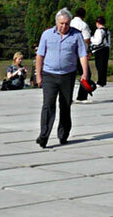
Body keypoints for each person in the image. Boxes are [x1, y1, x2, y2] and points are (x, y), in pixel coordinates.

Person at [34, 8, 89, 148]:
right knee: (48, 105)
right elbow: (40, 55)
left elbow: (82, 54)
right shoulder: (47, 35)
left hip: (67, 75)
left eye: (66, 23)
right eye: (61, 23)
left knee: (65, 105)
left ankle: (63, 134)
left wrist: (85, 72)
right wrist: (38, 75)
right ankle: (44, 136)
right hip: (49, 75)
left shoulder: (76, 35)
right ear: (56, 22)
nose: (64, 26)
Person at [71, 9, 94, 101]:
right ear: (84, 15)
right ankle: (82, 95)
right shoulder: (83, 25)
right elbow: (87, 39)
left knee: (70, 75)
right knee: (86, 74)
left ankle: (67, 96)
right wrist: (89, 48)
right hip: (80, 52)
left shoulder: (70, 22)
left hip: (70, 52)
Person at [90, 16, 111, 88]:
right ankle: (103, 81)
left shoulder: (99, 31)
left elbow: (97, 41)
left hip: (99, 50)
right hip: (106, 49)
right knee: (104, 66)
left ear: (97, 23)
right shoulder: (107, 30)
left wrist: (92, 39)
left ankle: (100, 82)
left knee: (99, 66)